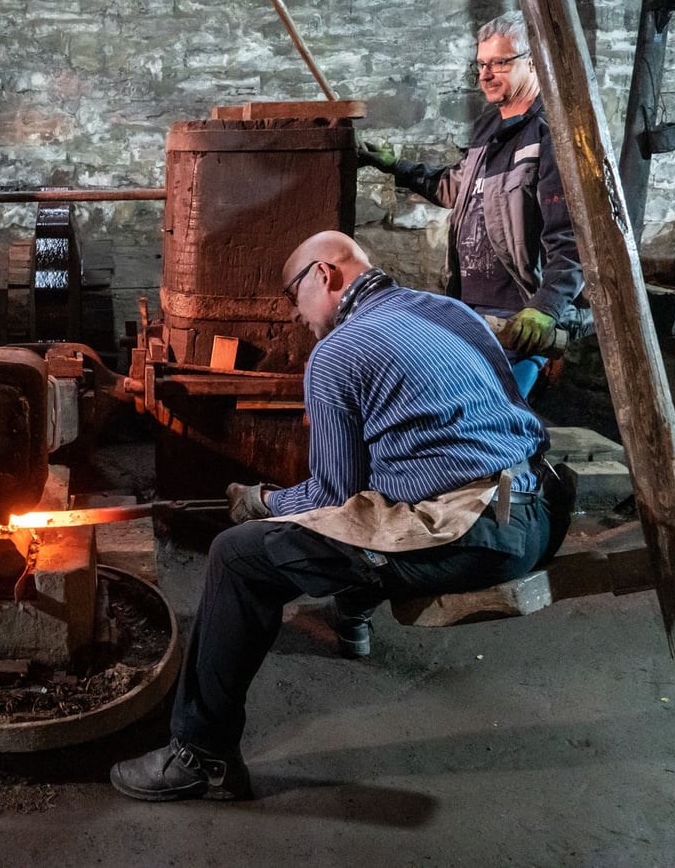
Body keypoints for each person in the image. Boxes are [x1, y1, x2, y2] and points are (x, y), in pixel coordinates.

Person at [108, 231, 570, 803]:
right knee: (375, 507)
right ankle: (353, 618)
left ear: (323, 276)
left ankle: (199, 756)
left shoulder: (338, 353)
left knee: (240, 556)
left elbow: (331, 495)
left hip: (469, 531)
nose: (298, 318)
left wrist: (261, 502)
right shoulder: (449, 310)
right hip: (538, 512)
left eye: (294, 298)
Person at [359, 10, 591, 398]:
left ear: (533, 62)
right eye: (482, 64)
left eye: (499, 63)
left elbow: (572, 235)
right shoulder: (488, 126)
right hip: (470, 311)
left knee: (496, 422)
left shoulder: (551, 133)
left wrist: (546, 306)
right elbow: (458, 188)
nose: (485, 74)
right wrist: (395, 166)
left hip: (519, 318)